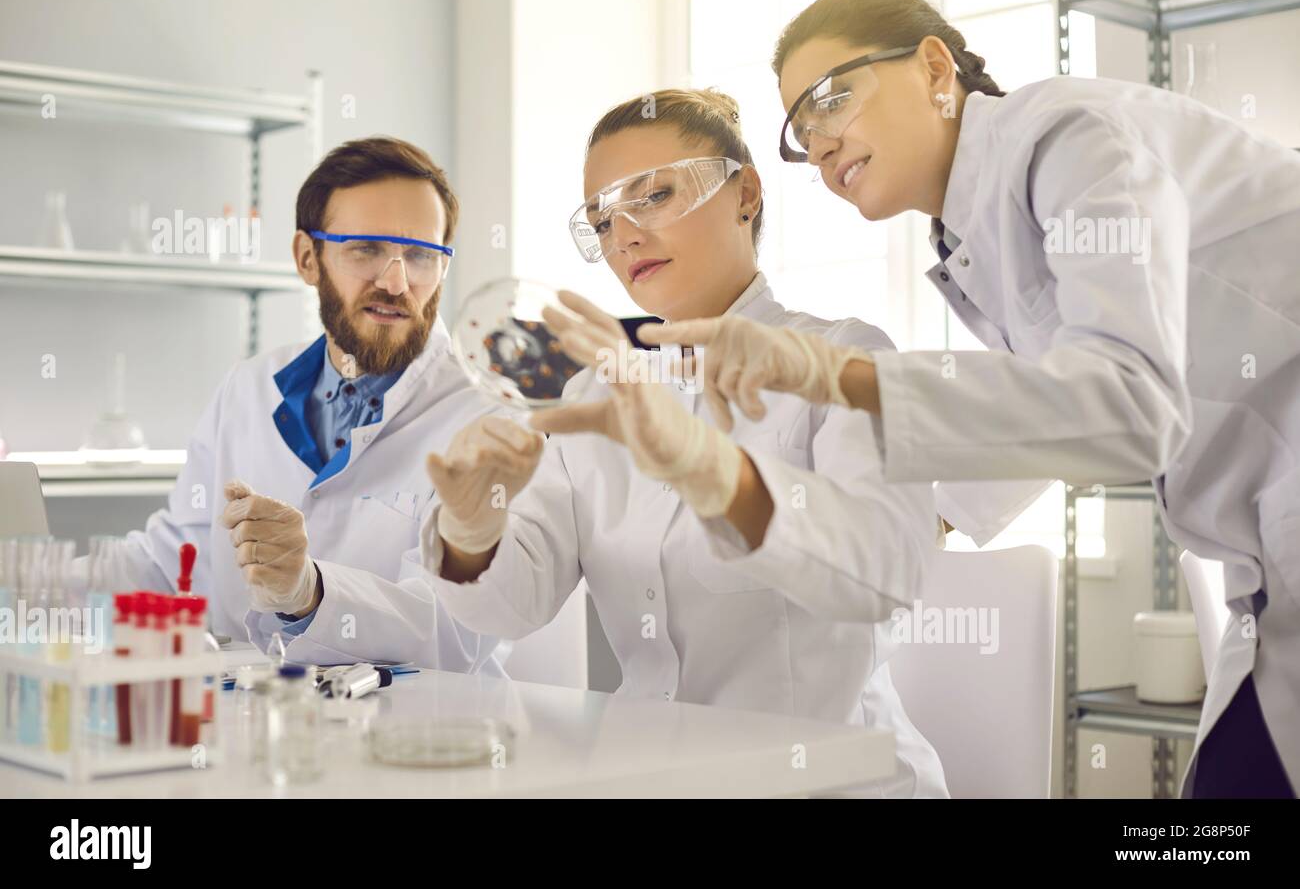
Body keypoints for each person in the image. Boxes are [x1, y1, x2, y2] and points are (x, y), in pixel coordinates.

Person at [640, 0, 1300, 798]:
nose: (818, 144)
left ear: (932, 66)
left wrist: (837, 378)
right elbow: (1059, 395)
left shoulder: (1068, 137)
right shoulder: (976, 225)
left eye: (831, 99)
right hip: (1267, 565)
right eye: (800, 131)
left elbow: (1130, 405)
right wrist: (910, 518)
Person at [419, 88, 948, 797]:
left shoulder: (844, 359)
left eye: (655, 195)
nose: (625, 236)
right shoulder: (591, 397)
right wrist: (471, 528)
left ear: (747, 193)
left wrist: (709, 468)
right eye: (603, 221)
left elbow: (882, 574)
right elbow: (515, 606)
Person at [107, 136, 505, 673]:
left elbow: (461, 629)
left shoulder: (487, 416)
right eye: (365, 249)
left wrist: (310, 592)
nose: (396, 282)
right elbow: (173, 560)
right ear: (307, 257)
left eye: (420, 256)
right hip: (260, 729)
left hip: (417, 739)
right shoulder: (249, 388)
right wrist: (37, 584)